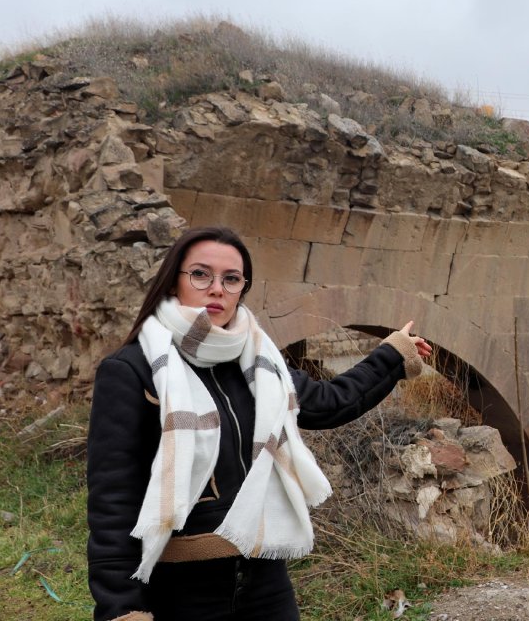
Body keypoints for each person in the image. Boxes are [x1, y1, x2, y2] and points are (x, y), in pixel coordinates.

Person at [86, 226, 431, 621]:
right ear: (174, 281)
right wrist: (121, 607)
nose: (217, 288)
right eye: (201, 274)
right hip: (181, 588)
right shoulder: (132, 370)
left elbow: (329, 403)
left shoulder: (258, 362)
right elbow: (113, 499)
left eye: (231, 279)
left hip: (265, 579)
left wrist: (393, 353)